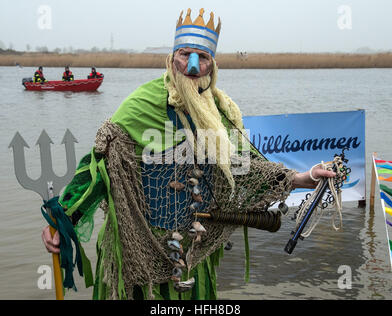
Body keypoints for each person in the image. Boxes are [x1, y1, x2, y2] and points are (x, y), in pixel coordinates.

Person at [41, 8, 335, 300]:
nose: (192, 66)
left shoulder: (219, 112)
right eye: (185, 54)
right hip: (139, 252)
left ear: (212, 65)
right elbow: (99, 170)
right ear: (172, 58)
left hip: (192, 251)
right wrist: (63, 222)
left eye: (203, 57)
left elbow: (247, 166)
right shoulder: (140, 104)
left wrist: (301, 178)